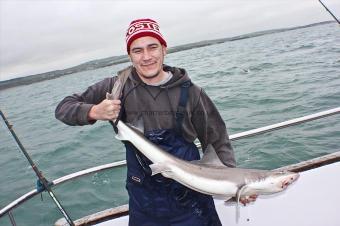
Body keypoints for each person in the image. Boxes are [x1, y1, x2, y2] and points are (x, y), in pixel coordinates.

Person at [55, 18, 253, 226]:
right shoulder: (117, 86)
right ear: (129, 55)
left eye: (153, 47)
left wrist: (234, 186)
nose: (146, 57)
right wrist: (94, 111)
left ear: (164, 49)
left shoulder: (192, 93)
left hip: (191, 197)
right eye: (138, 50)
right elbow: (63, 108)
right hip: (144, 200)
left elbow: (217, 141)